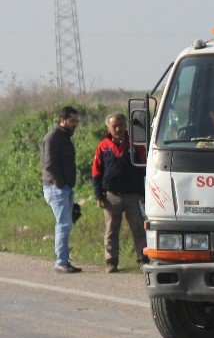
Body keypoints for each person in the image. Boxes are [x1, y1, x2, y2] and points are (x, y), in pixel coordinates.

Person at [92, 113, 147, 273]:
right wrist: (98, 195)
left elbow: (144, 169)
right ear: (108, 127)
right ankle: (111, 261)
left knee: (138, 228)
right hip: (111, 196)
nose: (118, 128)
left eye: (121, 125)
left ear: (126, 126)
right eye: (114, 125)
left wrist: (144, 194)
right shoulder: (103, 146)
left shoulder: (136, 146)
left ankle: (143, 259)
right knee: (111, 230)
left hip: (133, 196)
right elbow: (96, 172)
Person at [41, 106, 82, 273]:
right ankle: (61, 261)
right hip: (56, 187)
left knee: (66, 223)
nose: (75, 124)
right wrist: (60, 184)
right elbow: (49, 165)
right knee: (63, 224)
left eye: (76, 121)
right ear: (62, 120)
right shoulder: (53, 137)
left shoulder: (64, 137)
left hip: (64, 187)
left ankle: (64, 259)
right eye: (72, 121)